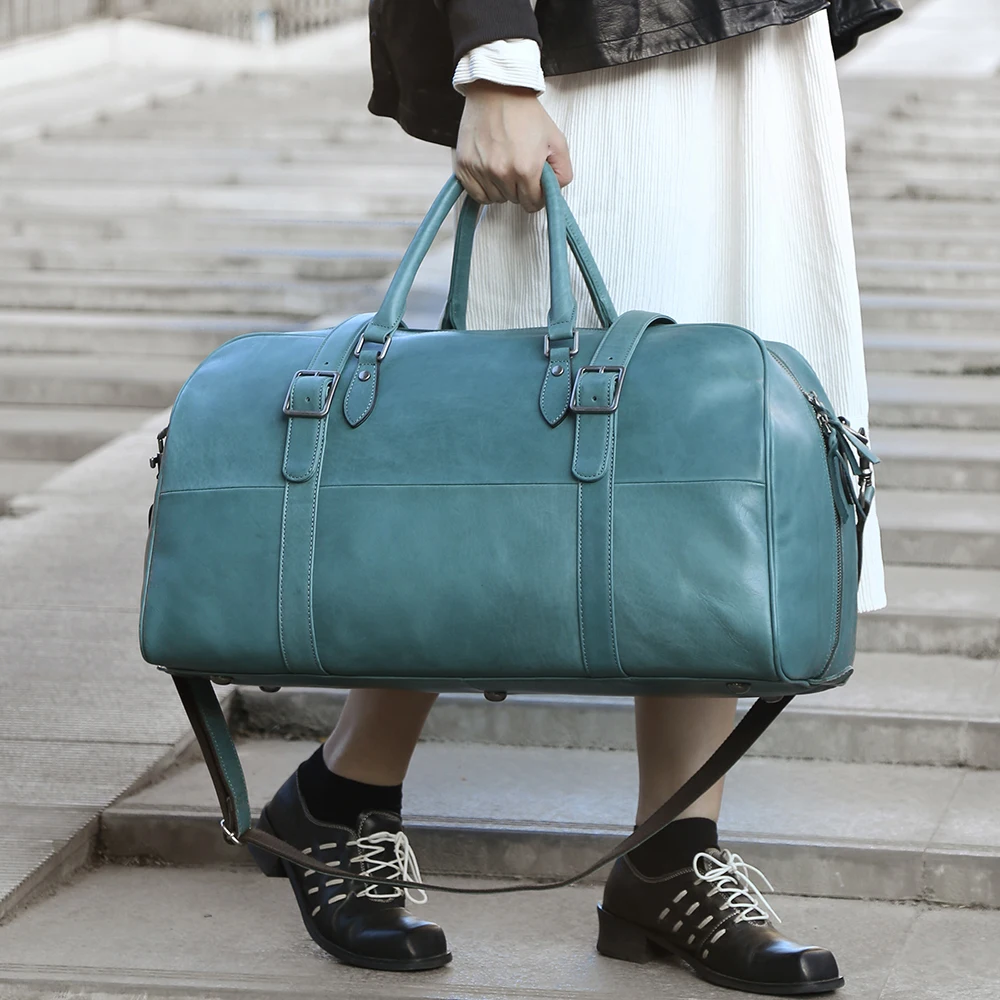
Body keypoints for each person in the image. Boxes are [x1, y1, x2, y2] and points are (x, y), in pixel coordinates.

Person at [253, 0, 900, 992]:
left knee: (717, 444)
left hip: (756, 40)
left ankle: (671, 850)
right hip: (584, 44)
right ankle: (347, 786)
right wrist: (497, 62)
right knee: (521, 431)